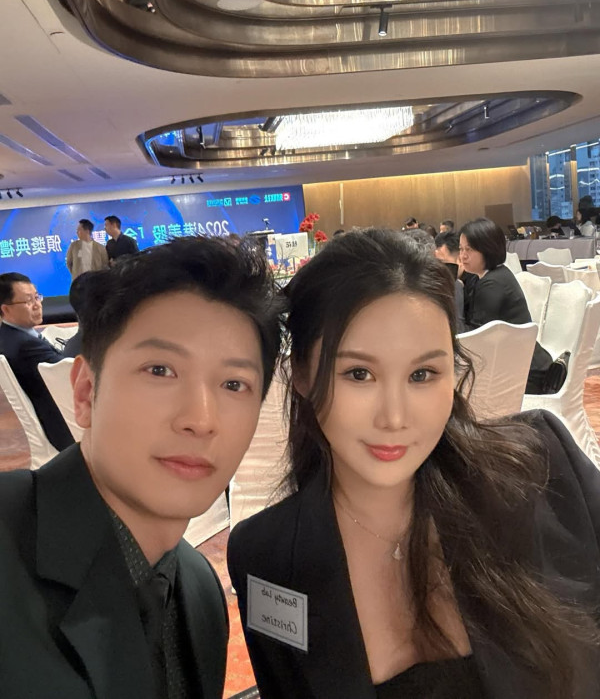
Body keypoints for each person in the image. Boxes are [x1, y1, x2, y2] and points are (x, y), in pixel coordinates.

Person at [228, 228, 600, 699]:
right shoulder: (269, 557)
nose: (395, 417)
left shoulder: (541, 469)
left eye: (423, 374)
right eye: (358, 374)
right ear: (300, 374)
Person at [0, 236, 283, 699]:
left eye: (234, 384)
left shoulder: (199, 590)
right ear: (85, 392)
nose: (200, 419)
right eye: (160, 370)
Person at [459, 218, 554, 393]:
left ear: (487, 249)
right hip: (520, 365)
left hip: (527, 374)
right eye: (461, 249)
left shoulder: (492, 283)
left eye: (469, 249)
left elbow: (474, 338)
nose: (462, 256)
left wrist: (455, 288)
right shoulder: (488, 275)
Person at [0, 272, 73, 450]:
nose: (37, 305)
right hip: (67, 427)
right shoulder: (26, 346)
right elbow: (71, 375)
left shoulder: (8, 337)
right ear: (5, 309)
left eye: (37, 297)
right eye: (28, 301)